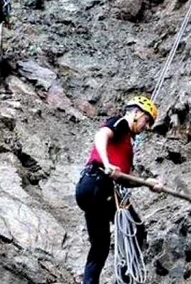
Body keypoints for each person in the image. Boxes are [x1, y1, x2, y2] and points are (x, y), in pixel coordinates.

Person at [74, 96, 165, 284]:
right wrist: (107, 163)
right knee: (136, 228)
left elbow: (125, 180)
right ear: (137, 113)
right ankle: (125, 280)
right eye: (146, 121)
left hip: (91, 190)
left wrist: (147, 183)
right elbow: (101, 136)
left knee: (100, 247)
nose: (146, 127)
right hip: (99, 183)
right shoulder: (121, 122)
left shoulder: (127, 146)